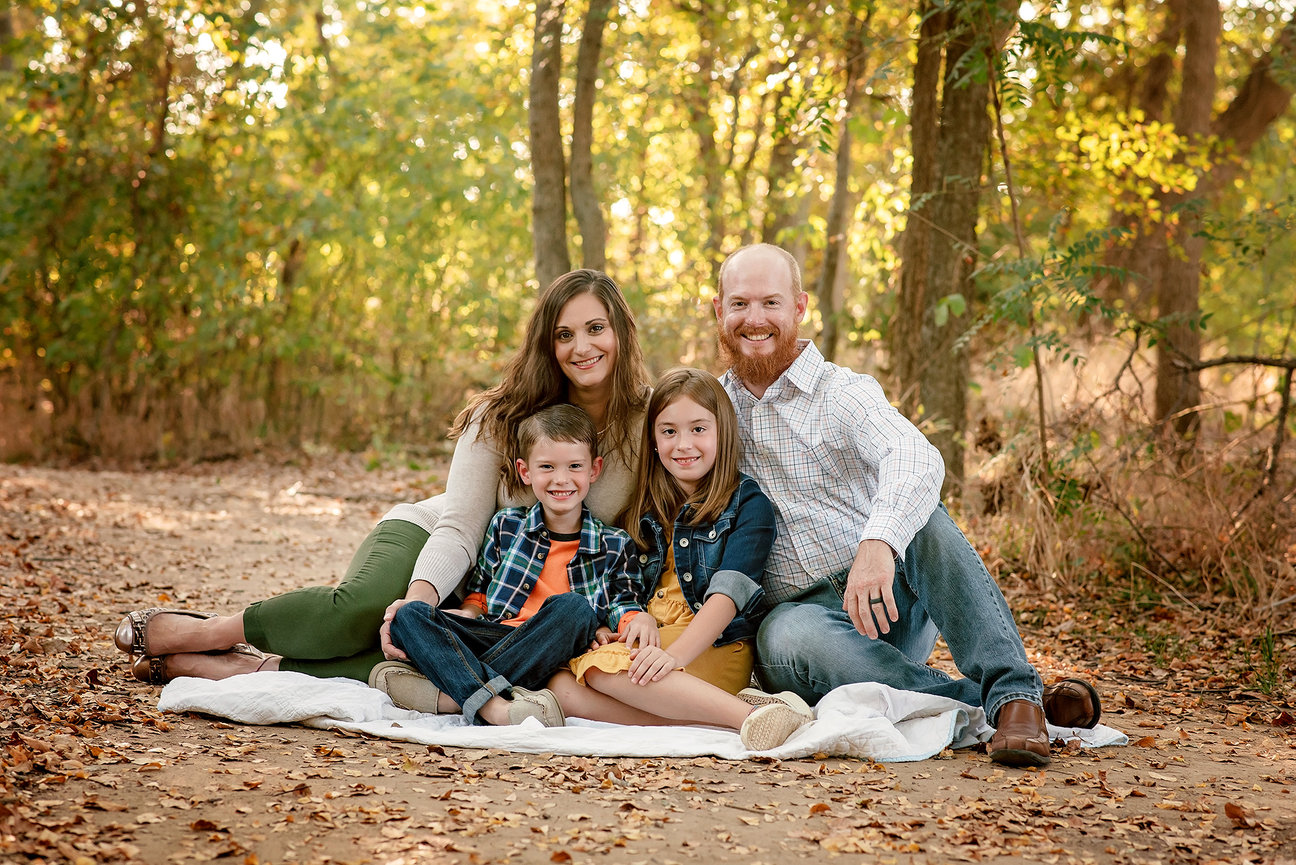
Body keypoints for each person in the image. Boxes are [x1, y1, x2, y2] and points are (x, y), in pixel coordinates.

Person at [112, 270, 652, 684]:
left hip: (505, 597)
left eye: (595, 328)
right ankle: (206, 631)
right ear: (547, 344)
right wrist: (418, 599)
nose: (582, 347)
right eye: (564, 334)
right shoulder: (502, 414)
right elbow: (461, 527)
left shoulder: (647, 425)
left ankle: (237, 670)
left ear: (621, 331)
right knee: (368, 615)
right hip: (435, 539)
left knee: (421, 668)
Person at [711, 243, 1101, 767]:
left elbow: (914, 455)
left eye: (770, 303)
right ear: (718, 310)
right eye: (739, 304)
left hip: (886, 598)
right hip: (807, 633)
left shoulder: (841, 392)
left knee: (922, 516)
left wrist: (879, 541)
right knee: (780, 632)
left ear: (800, 308)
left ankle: (1012, 689)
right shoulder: (712, 412)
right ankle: (1007, 707)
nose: (754, 319)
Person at [544, 368, 814, 752]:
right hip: (652, 642)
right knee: (560, 686)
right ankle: (730, 715)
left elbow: (727, 596)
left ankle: (749, 720)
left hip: (713, 644)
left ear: (723, 432)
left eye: (698, 429)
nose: (683, 444)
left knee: (601, 669)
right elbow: (625, 589)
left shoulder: (748, 505)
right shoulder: (645, 510)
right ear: (653, 441)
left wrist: (672, 657)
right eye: (669, 431)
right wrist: (625, 624)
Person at [373, 405, 640, 727]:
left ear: (593, 470)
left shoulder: (615, 542)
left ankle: (452, 696)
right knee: (409, 614)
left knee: (576, 609)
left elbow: (624, 599)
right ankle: (498, 705)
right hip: (494, 633)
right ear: (525, 471)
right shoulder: (506, 525)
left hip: (554, 645)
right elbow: (481, 589)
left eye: (574, 466)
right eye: (547, 467)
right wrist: (469, 613)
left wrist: (628, 622)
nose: (561, 479)